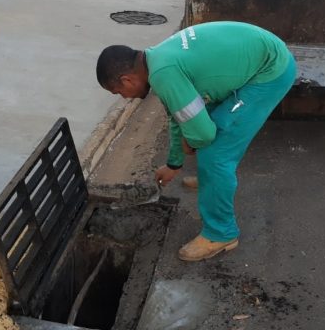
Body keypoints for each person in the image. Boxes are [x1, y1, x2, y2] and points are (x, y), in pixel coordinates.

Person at [96, 21, 295, 261]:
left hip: (269, 72)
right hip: (256, 57)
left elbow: (203, 134)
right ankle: (212, 181)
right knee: (206, 128)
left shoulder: (163, 75)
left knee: (216, 152)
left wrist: (192, 141)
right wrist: (174, 163)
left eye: (118, 92)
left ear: (127, 80)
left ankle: (221, 234)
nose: (124, 97)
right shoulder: (156, 59)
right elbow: (178, 113)